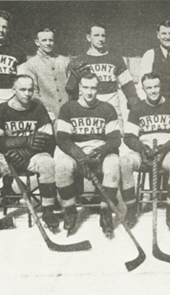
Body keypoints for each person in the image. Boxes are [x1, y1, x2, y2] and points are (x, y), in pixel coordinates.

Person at [0, 75, 57, 230]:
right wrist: (24, 142)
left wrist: (25, 152)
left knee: (48, 163)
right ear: (13, 90)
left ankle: (48, 211)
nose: (27, 93)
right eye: (22, 89)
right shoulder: (1, 110)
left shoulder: (38, 108)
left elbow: (48, 139)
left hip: (33, 155)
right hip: (5, 156)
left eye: (30, 90)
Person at [56, 73, 121, 237]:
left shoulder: (107, 108)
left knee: (113, 164)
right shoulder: (68, 108)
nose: (89, 92)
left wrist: (101, 151)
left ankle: (105, 212)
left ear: (98, 88)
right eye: (85, 87)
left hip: (100, 150)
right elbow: (62, 138)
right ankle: (70, 210)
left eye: (93, 88)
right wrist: (78, 155)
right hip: (76, 149)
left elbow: (114, 139)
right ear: (80, 88)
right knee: (62, 165)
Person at [120, 72, 170, 230]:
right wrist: (142, 148)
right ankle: (131, 209)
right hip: (145, 152)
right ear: (143, 89)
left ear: (161, 86)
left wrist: (164, 148)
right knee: (124, 162)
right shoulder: (137, 108)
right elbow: (129, 137)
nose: (154, 91)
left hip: (167, 151)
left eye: (156, 86)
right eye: (149, 88)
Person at [65, 21, 139, 132]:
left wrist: (133, 99)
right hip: (88, 107)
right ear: (88, 37)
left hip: (111, 106)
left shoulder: (115, 59)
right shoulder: (80, 61)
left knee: (114, 138)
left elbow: (127, 84)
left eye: (103, 35)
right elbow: (71, 90)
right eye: (96, 35)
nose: (101, 39)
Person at [18, 27, 70, 119]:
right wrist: (44, 111)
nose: (48, 43)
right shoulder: (31, 64)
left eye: (51, 40)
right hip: (47, 114)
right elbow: (33, 92)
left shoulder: (64, 61)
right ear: (37, 42)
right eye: (44, 40)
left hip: (67, 112)